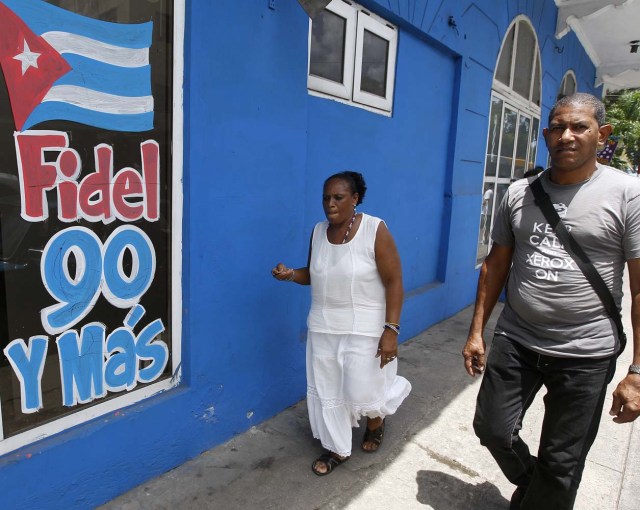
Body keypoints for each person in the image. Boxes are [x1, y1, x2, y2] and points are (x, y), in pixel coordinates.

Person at [462, 93, 640, 509]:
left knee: (563, 463)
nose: (567, 136)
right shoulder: (519, 193)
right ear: (546, 135)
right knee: (492, 430)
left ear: (603, 135)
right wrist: (476, 332)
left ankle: (543, 492)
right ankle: (535, 483)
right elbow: (495, 264)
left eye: (580, 127)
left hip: (586, 352)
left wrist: (637, 371)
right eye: (558, 127)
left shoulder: (627, 195)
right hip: (518, 339)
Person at [272, 171, 411, 476]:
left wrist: (392, 329)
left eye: (338, 197)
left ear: (355, 199)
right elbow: (316, 273)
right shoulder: (318, 232)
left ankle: (376, 419)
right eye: (326, 198)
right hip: (323, 328)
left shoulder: (375, 229)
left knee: (363, 390)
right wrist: (292, 274)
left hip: (366, 329)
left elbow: (394, 281)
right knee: (327, 391)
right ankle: (338, 447)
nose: (330, 204)